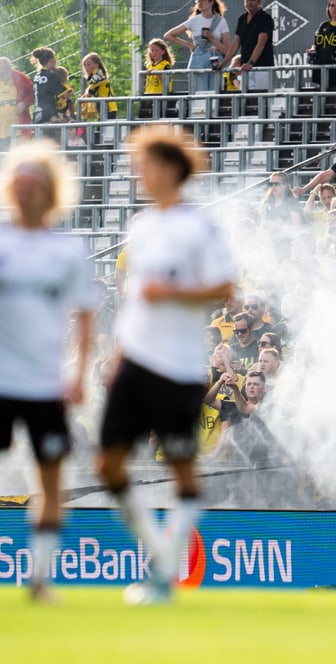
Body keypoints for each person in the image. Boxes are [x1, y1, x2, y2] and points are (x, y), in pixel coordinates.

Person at [97, 126, 237, 605]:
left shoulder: (198, 226)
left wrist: (171, 293)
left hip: (177, 367)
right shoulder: (140, 226)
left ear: (172, 170)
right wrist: (118, 356)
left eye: (147, 165)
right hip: (135, 360)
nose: (140, 174)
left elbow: (225, 288)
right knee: (107, 463)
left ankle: (163, 574)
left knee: (183, 472)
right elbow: (138, 300)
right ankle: (159, 554)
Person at [0, 142, 95, 601]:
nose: (24, 192)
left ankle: (39, 579)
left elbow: (86, 314)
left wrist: (78, 374)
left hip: (44, 384)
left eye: (33, 184)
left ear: (49, 191)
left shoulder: (66, 251)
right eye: (18, 183)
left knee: (51, 481)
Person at [164, 0, 231, 93]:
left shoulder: (221, 21)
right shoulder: (194, 20)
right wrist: (189, 45)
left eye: (202, 1)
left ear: (211, 2)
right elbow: (168, 35)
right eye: (198, 1)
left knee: (215, 95)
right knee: (199, 95)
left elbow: (227, 50)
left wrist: (212, 38)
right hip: (199, 60)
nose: (200, 3)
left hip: (216, 62)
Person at [219, 0, 275, 91]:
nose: (249, 3)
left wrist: (250, 63)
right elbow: (235, 44)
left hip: (262, 67)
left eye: (252, 0)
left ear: (259, 2)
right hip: (245, 69)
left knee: (262, 98)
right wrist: (222, 64)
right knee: (246, 100)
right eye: (247, 0)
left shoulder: (265, 18)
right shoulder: (242, 19)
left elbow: (260, 44)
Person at [0, 57, 34, 149]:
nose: (6, 74)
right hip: (1, 130)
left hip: (18, 128)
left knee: (17, 156)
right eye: (3, 72)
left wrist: (24, 103)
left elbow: (33, 92)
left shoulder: (20, 77)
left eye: (8, 71)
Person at [30, 47, 67, 124]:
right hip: (49, 115)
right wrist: (70, 91)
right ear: (51, 60)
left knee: (40, 136)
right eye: (55, 58)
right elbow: (64, 94)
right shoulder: (52, 75)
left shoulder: (37, 76)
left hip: (37, 114)